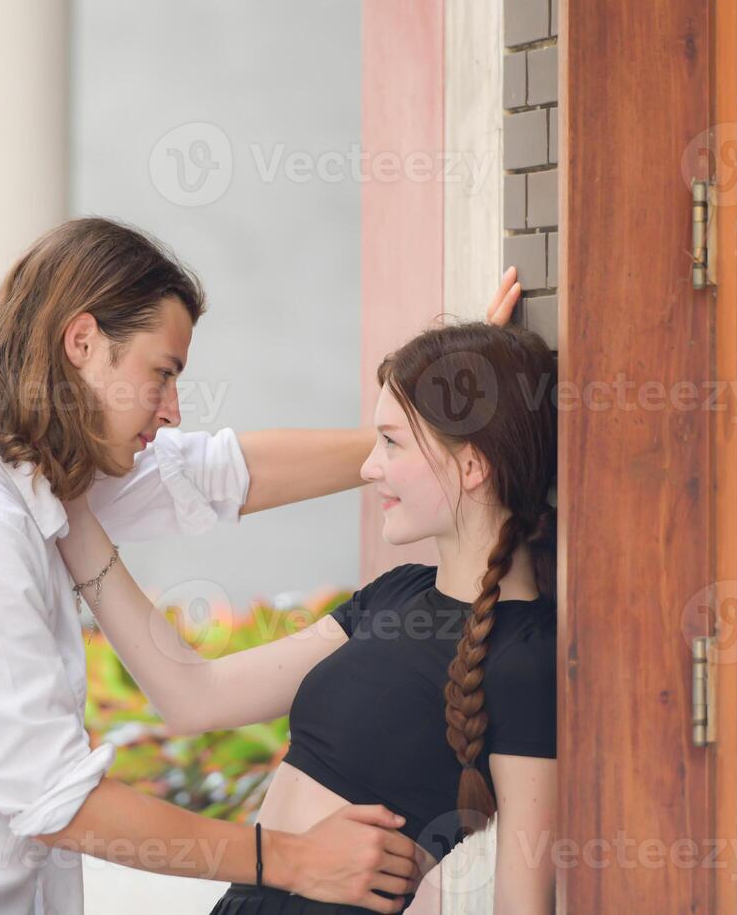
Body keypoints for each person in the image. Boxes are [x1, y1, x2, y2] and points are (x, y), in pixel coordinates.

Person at [0, 218, 525, 913]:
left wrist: (436, 431)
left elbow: (220, 474)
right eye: (164, 373)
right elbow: (58, 804)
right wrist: (289, 861)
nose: (172, 408)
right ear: (82, 342)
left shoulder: (36, 472)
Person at [56, 319, 557, 915]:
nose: (369, 467)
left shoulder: (526, 658)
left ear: (472, 466)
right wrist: (73, 509)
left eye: (391, 442)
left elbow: (524, 905)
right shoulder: (396, 595)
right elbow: (194, 697)